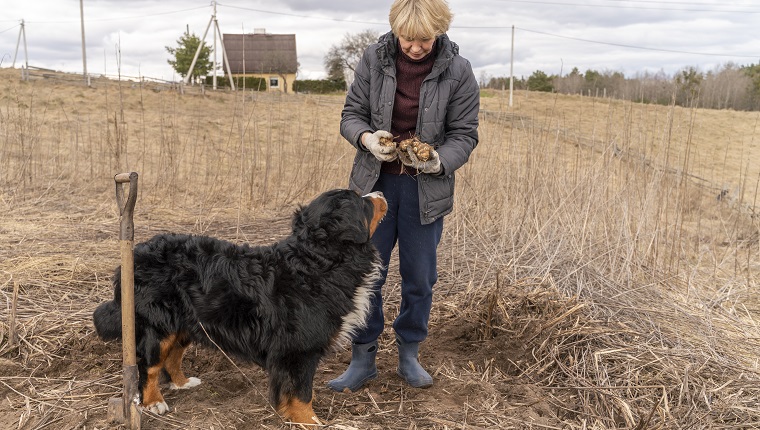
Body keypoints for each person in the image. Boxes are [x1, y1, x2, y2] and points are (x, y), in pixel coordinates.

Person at [329, 0, 479, 392]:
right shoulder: (372, 59)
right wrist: (365, 138)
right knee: (366, 275)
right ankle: (362, 358)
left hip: (424, 192)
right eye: (407, 39)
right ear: (395, 31)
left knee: (419, 277)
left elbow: (465, 134)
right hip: (373, 187)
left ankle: (409, 353)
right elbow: (351, 114)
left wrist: (437, 162)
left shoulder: (459, 71)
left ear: (440, 32)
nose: (414, 47)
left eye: (424, 39)